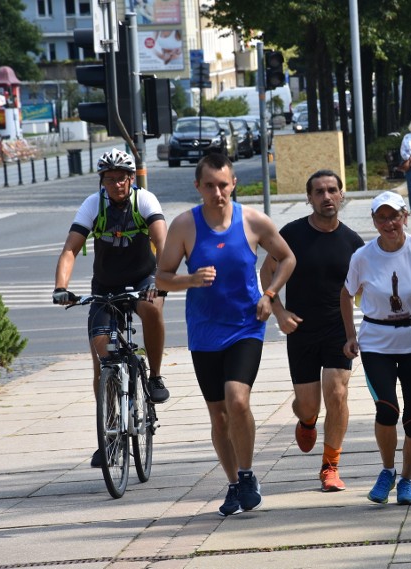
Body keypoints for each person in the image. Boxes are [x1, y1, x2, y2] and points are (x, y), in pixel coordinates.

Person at [155, 153, 296, 516]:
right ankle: (234, 483)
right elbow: (162, 277)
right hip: (204, 331)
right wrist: (190, 279)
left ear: (234, 183)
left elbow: (287, 258)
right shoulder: (185, 225)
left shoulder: (252, 220)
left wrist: (269, 296)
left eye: (223, 184)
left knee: (237, 400)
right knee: (218, 415)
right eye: (209, 185)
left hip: (245, 326)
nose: (217, 192)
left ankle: (247, 474)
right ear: (198, 187)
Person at [52, 149, 170, 468]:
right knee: (101, 354)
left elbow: (163, 241)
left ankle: (156, 377)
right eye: (109, 178)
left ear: (131, 179)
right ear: (101, 181)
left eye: (121, 178)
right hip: (105, 286)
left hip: (143, 279)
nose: (116, 184)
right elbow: (69, 250)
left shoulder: (144, 201)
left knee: (151, 309)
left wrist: (161, 277)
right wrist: (61, 287)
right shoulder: (94, 205)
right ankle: (110, 433)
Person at [341, 191, 411, 506]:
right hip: (377, 341)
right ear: (374, 221)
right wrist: (350, 335)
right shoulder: (362, 256)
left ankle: (406, 480)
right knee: (387, 409)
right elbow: (346, 294)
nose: (389, 223)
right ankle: (387, 469)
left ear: (405, 216)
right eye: (382, 217)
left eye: (394, 216)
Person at [259, 170, 364, 492]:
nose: (327, 197)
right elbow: (267, 272)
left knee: (338, 393)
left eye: (332, 190)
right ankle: (306, 421)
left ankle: (330, 466)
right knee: (309, 406)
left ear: (342, 195)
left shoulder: (352, 242)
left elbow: (367, 288)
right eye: (319, 192)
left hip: (337, 330)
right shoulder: (292, 234)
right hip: (301, 329)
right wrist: (279, 311)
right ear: (309, 198)